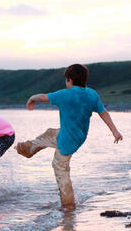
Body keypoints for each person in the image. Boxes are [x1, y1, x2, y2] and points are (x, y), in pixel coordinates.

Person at [16, 64, 123, 210]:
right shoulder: (92, 94)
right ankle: (27, 149)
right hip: (77, 136)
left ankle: (68, 206)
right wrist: (115, 131)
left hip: (67, 141)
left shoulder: (65, 94)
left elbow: (42, 97)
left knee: (60, 168)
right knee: (50, 133)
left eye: (66, 80)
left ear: (69, 80)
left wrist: (31, 98)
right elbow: (103, 113)